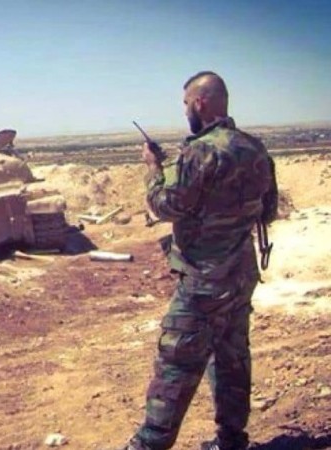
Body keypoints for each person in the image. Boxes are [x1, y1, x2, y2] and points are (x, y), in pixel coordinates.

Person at [120, 71, 278, 450]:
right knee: (231, 359)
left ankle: (149, 445)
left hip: (204, 283)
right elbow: (268, 210)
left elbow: (166, 206)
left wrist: (154, 169)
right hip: (240, 276)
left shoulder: (200, 151)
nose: (186, 110)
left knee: (176, 362)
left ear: (200, 103)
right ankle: (231, 440)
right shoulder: (255, 148)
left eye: (186, 103)